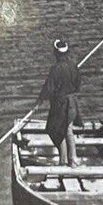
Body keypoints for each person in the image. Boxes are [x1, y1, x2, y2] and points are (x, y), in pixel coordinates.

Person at [38, 38, 82, 166]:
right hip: (72, 104)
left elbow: (48, 88)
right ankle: (73, 159)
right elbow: (78, 86)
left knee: (54, 130)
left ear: (56, 53)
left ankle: (63, 161)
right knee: (68, 129)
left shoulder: (55, 69)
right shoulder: (73, 67)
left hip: (60, 105)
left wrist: (40, 100)